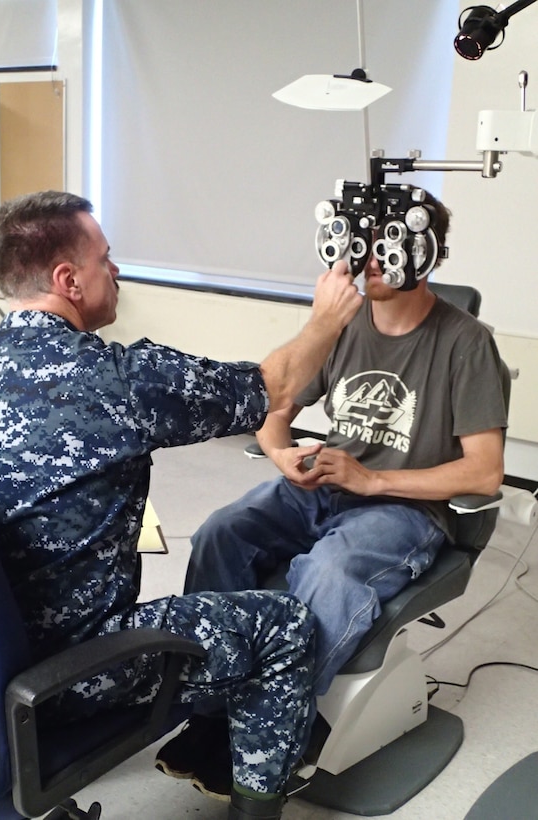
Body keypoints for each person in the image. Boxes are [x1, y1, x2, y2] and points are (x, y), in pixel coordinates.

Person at [0, 190, 363, 820]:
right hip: (66, 672)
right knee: (284, 626)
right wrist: (327, 318)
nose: (117, 270)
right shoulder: (121, 380)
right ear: (67, 279)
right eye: (106, 259)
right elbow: (275, 387)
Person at [158, 188, 508, 797]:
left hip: (407, 505)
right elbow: (275, 402)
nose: (364, 262)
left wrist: (373, 479)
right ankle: (214, 705)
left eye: (382, 248)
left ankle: (277, 723)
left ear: (420, 252)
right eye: (357, 245)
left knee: (331, 568)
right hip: (325, 482)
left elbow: (483, 473)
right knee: (222, 529)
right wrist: (280, 450)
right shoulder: (342, 326)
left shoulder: (466, 342)